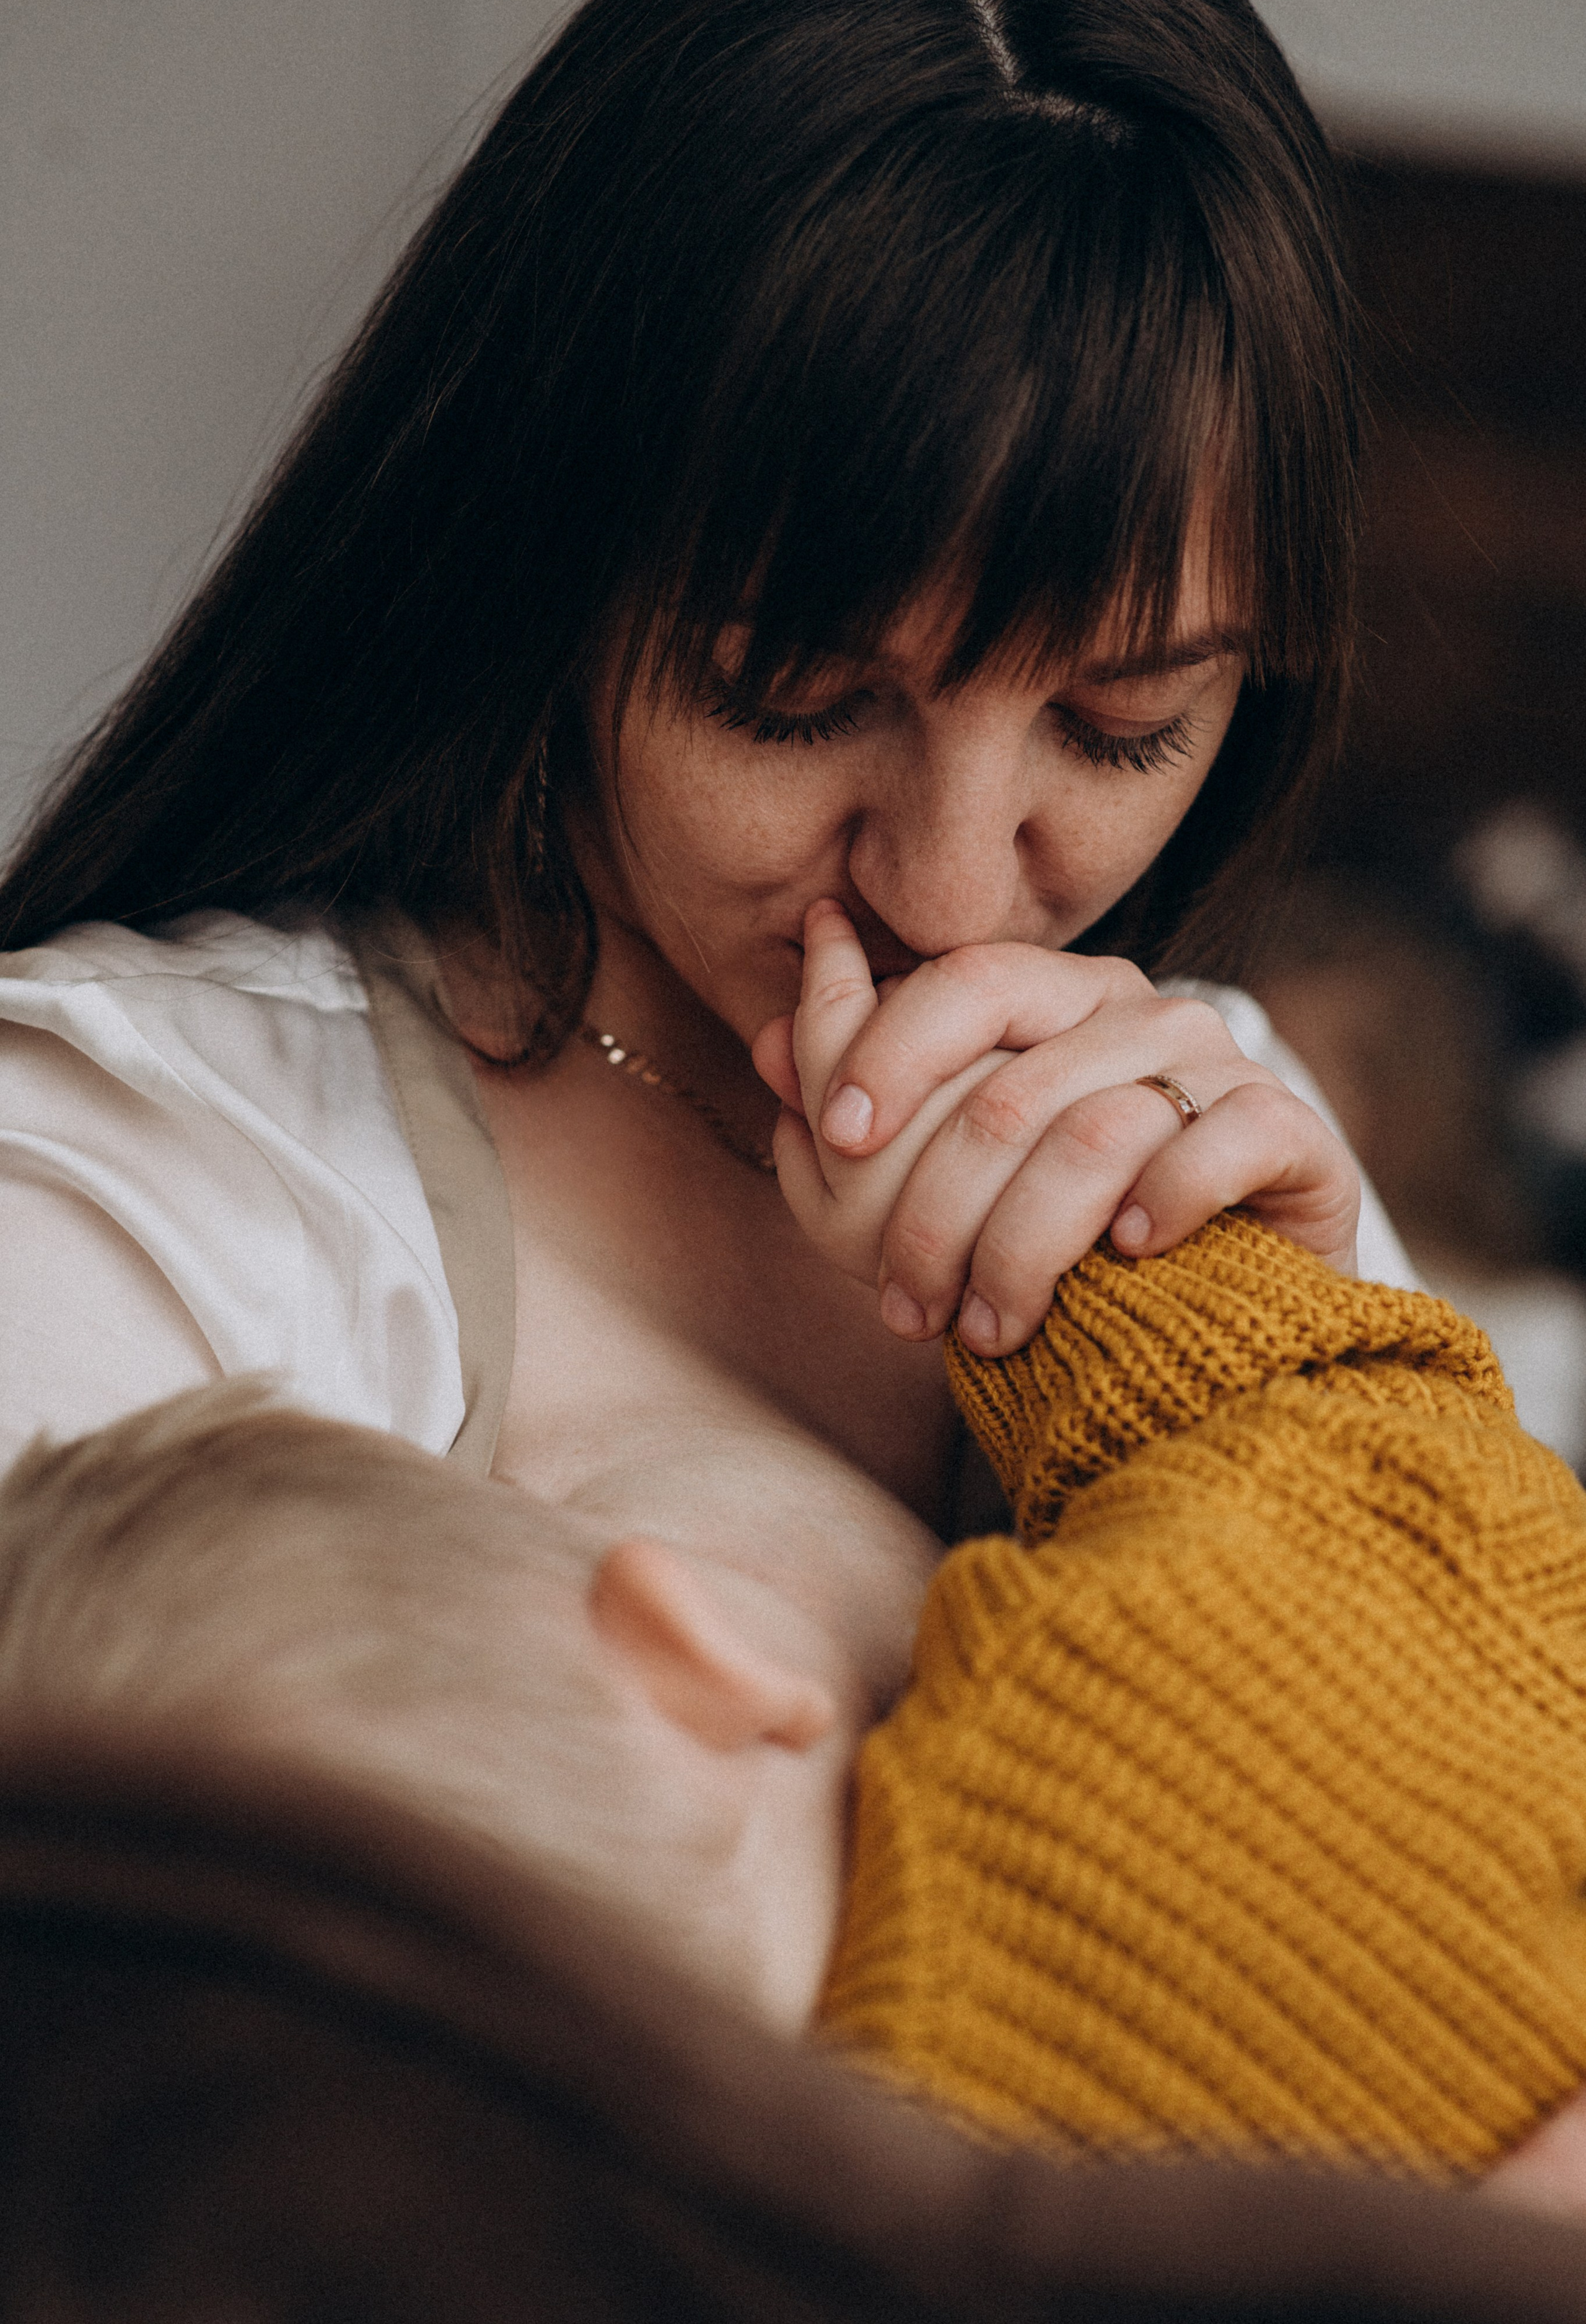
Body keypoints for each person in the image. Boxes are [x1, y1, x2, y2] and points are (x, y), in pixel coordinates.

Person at [1, 0, 1409, 1563]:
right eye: (794, 694)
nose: (948, 900)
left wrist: (1326, 1398)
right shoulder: (148, 1197)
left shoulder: (1208, 1135)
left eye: (1118, 727)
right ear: (545, 572)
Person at [6, 913, 1586, 2191]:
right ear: (690, 1648)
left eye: (1116, 727)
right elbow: (1361, 1458)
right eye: (799, 695)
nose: (955, 864)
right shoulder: (1119, 1693)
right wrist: (1143, 1282)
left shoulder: (789, 2236)